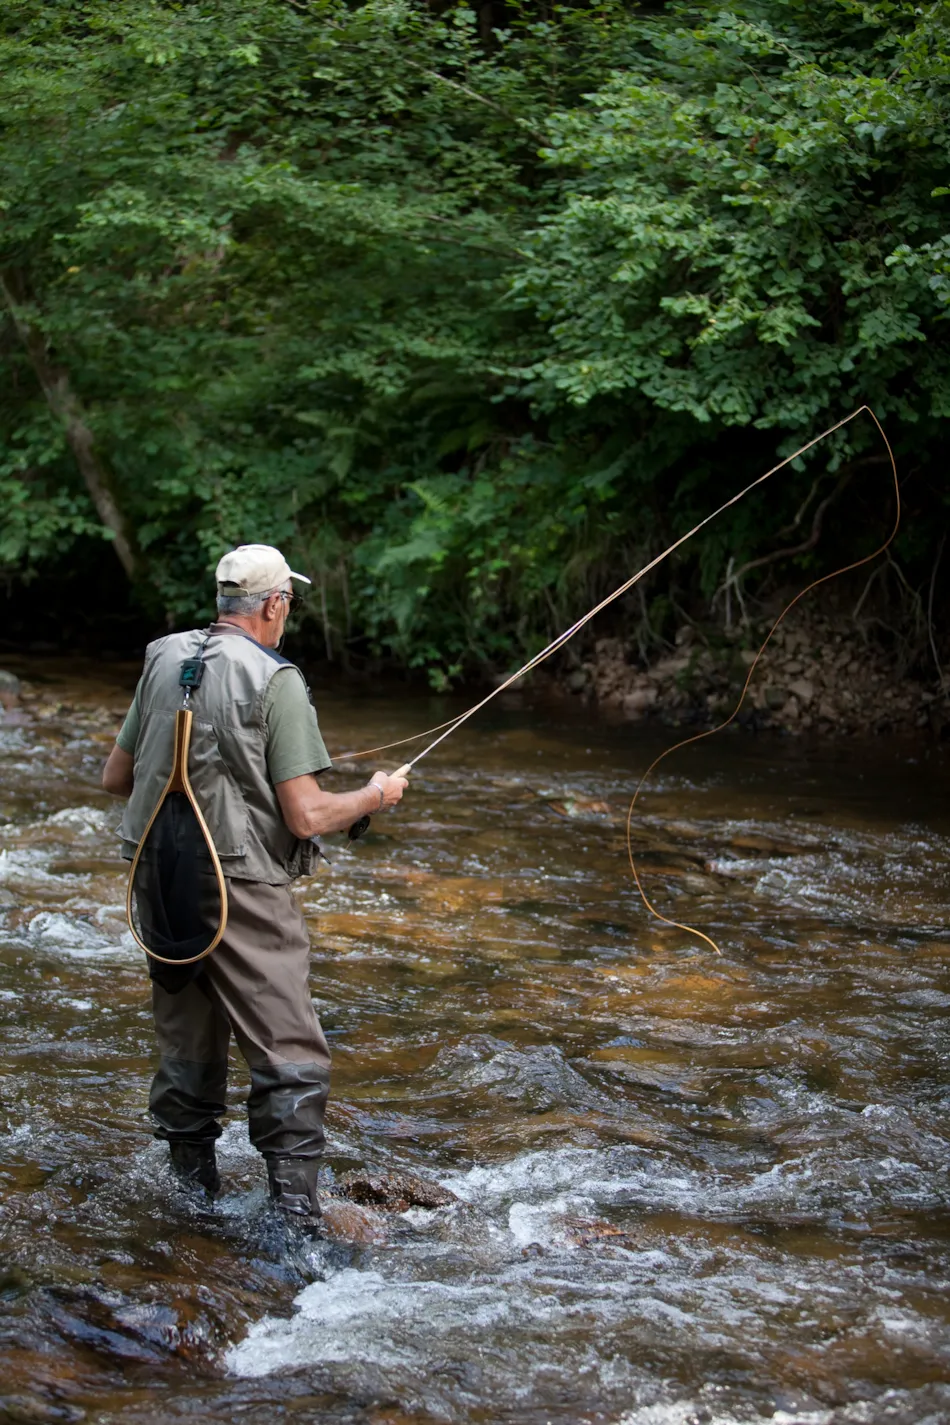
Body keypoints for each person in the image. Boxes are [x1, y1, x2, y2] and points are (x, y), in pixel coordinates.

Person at [101, 543, 407, 1227]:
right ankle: (295, 1225)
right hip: (240, 885)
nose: (287, 614)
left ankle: (189, 1205)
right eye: (287, 603)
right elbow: (307, 816)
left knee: (187, 1044)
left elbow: (115, 778)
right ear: (273, 604)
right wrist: (375, 795)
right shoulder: (276, 677)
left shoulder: (162, 658)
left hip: (159, 879)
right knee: (291, 1051)